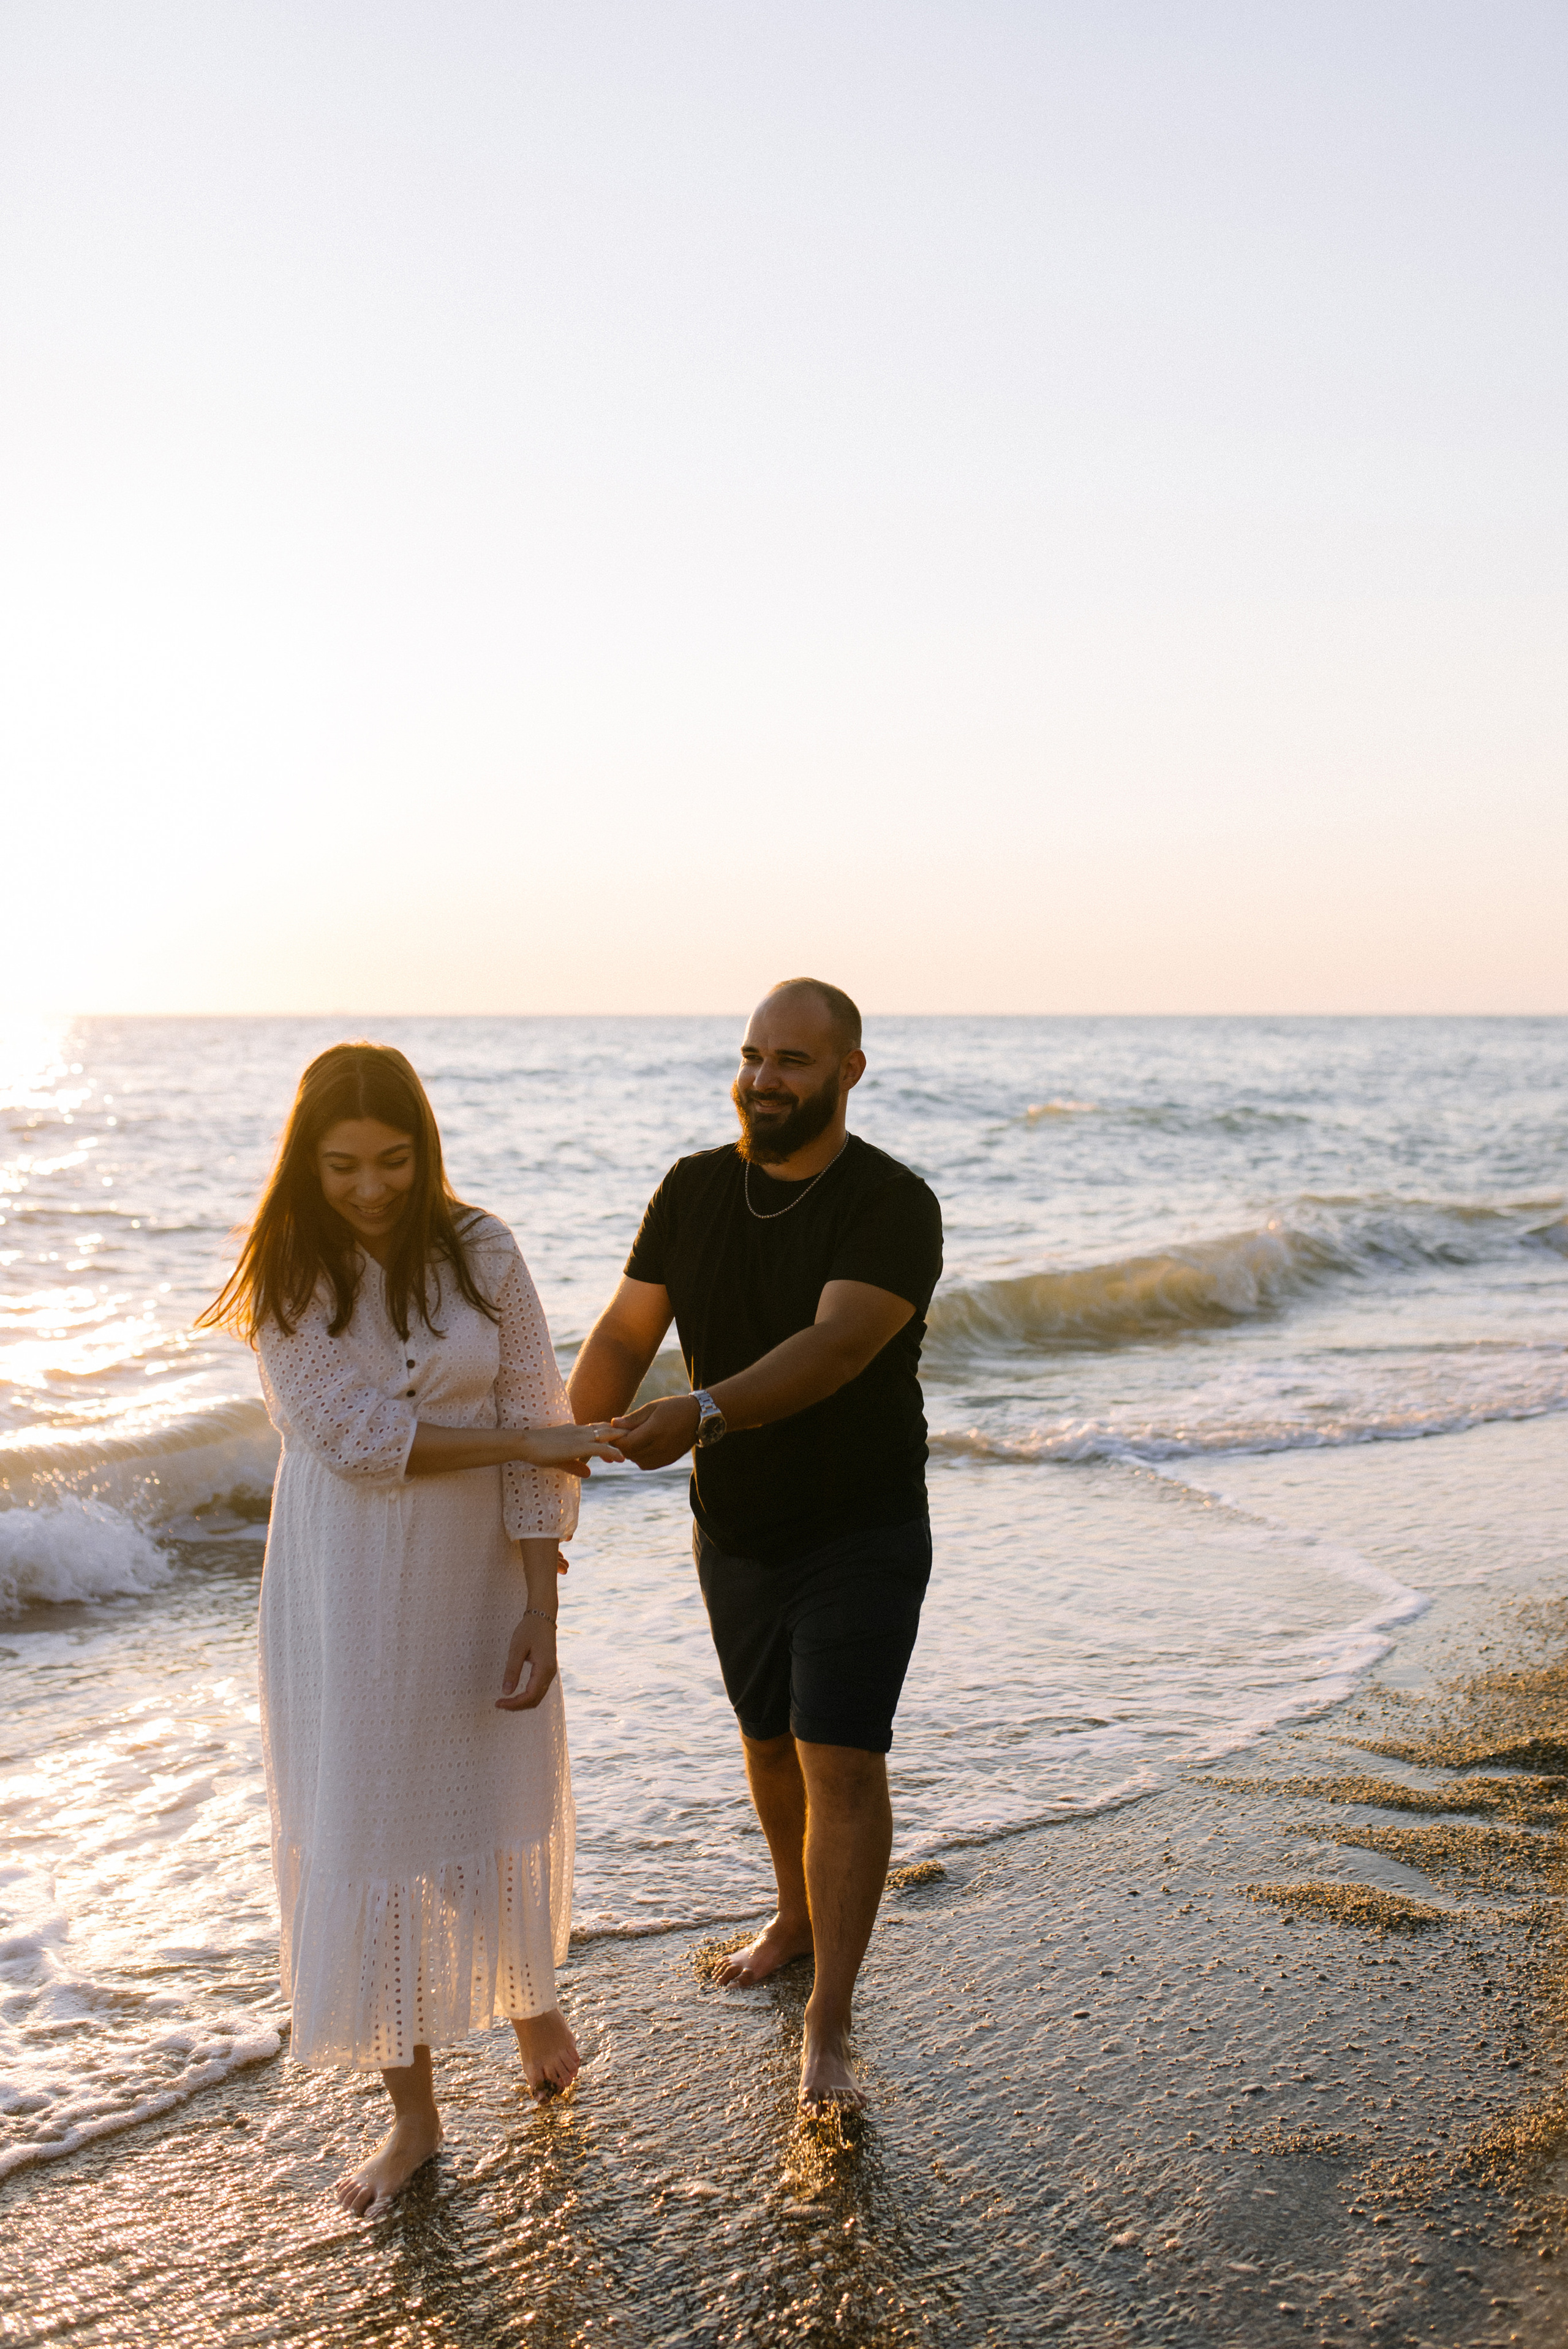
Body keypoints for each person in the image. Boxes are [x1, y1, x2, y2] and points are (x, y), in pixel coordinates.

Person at [198, 1042, 622, 2219]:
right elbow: (357, 1441)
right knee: (371, 1823)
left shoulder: (484, 1249)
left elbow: (538, 1409)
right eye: (342, 1166)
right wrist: (529, 1444)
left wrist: (542, 1599)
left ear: (424, 1147)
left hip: (474, 1569)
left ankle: (530, 1992)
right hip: (344, 1584)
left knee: (480, 1788)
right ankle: (415, 2119)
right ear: (305, 1161)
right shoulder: (285, 1271)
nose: (372, 1187)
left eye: (393, 1160)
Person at [567, 978, 943, 2109]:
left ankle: (828, 2025)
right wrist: (562, 1449)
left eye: (791, 1060)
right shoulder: (692, 1189)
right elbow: (629, 1330)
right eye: (751, 1056)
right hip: (734, 1527)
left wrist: (702, 1411)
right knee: (769, 1744)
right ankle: (791, 1913)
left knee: (841, 1756)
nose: (763, 1079)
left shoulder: (891, 1203)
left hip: (861, 1525)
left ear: (848, 1071)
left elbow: (833, 1348)